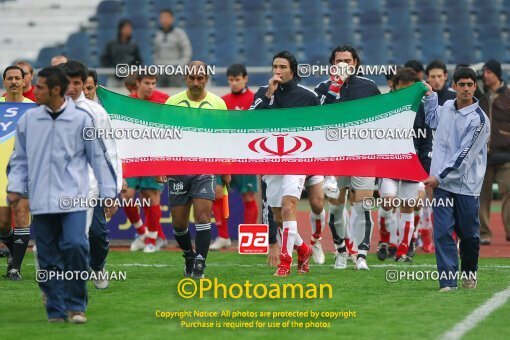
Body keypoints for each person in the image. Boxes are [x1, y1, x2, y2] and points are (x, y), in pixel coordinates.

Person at [7, 66, 118, 322]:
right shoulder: (28, 121)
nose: (33, 90)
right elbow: (19, 159)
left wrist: (110, 192)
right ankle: (56, 310)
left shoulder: (82, 119)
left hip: (75, 197)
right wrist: (15, 187)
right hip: (42, 199)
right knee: (46, 256)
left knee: (77, 245)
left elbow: (99, 159)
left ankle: (76, 305)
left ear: (56, 90)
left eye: (41, 87)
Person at [251, 51, 323, 276]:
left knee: (289, 207)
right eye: (274, 66)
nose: (277, 71)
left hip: (296, 158)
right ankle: (303, 248)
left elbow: (318, 129)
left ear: (292, 70)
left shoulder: (307, 97)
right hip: (271, 159)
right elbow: (252, 121)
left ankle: (285, 263)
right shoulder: (263, 93)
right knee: (277, 216)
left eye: (282, 67)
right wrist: (269, 94)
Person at [423, 67, 490, 291]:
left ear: (475, 87)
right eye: (461, 84)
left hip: (466, 186)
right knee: (442, 231)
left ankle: (469, 272)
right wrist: (430, 97)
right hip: (442, 185)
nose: (466, 89)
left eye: (470, 85)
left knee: (469, 235)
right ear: (454, 86)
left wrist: (439, 177)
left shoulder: (479, 120)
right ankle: (448, 282)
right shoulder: (446, 109)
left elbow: (464, 156)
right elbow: (432, 120)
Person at [315, 45, 380, 270]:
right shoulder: (323, 88)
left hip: (363, 155)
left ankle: (361, 254)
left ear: (356, 63)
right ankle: (340, 250)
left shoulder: (369, 87)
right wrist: (335, 86)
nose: (343, 64)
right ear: (333, 64)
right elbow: (318, 118)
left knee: (363, 205)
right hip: (334, 157)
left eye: (347, 61)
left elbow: (381, 119)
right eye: (339, 61)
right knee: (335, 207)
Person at [163, 60, 230, 279]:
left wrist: (225, 168)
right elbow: (162, 135)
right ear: (185, 78)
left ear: (206, 79)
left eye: (200, 78)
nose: (195, 82)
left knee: (203, 216)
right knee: (179, 223)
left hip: (205, 167)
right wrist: (161, 165)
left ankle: (200, 263)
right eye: (191, 77)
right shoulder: (172, 102)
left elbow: (225, 137)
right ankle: (189, 255)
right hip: (178, 168)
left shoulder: (218, 103)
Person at [61, 60, 123, 289]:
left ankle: (97, 266)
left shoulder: (96, 112)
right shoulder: (48, 110)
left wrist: (113, 189)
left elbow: (111, 151)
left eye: (79, 83)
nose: (75, 87)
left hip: (92, 185)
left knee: (97, 233)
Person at [376, 68, 433, 262]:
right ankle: (384, 240)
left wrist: (425, 167)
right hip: (389, 164)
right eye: (403, 89)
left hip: (411, 164)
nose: (406, 93)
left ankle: (402, 250)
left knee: (409, 207)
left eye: (410, 89)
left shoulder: (421, 107)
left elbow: (426, 140)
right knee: (388, 202)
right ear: (394, 85)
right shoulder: (384, 105)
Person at [210, 64, 258, 250]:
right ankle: (223, 236)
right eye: (231, 80)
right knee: (217, 194)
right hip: (224, 156)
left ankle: (248, 239)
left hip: (245, 157)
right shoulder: (222, 102)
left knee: (248, 196)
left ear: (245, 79)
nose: (235, 83)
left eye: (238, 79)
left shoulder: (255, 99)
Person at [125, 73, 169, 252]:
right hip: (132, 157)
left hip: (154, 156)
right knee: (127, 197)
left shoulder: (164, 100)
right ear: (138, 83)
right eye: (147, 83)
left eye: (153, 83)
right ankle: (143, 233)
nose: (150, 86)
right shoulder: (128, 102)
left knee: (151, 197)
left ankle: (152, 241)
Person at [0, 66, 34, 281]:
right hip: (1, 168)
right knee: (2, 222)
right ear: (4, 82)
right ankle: (13, 253)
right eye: (9, 78)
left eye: (17, 78)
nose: (14, 81)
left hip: (24, 168)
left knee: (22, 215)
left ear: (24, 81)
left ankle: (15, 268)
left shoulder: (34, 109)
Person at [479, 59, 510, 244]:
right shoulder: (480, 96)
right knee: (482, 196)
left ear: (498, 74)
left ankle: (509, 229)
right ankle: (484, 234)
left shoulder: (508, 96)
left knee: (509, 191)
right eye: (484, 72)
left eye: (489, 72)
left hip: (506, 155)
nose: (485, 75)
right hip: (483, 156)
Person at [153, 9, 192, 87]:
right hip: (161, 70)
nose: (164, 20)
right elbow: (155, 52)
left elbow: (187, 51)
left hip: (175, 69)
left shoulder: (179, 33)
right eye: (162, 18)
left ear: (172, 19)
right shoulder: (158, 34)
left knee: (175, 93)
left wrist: (180, 66)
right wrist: (157, 64)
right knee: (161, 94)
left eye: (167, 17)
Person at [101, 19, 142, 86]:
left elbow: (138, 60)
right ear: (120, 29)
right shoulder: (111, 44)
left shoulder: (134, 45)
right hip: (113, 77)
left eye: (130, 28)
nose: (129, 30)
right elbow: (104, 59)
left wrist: (133, 70)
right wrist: (111, 69)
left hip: (128, 77)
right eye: (126, 28)